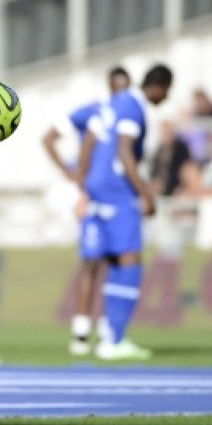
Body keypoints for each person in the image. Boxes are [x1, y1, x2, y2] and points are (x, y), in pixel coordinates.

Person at [76, 64, 174, 360]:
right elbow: (124, 150)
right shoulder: (133, 107)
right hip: (118, 192)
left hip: (97, 189)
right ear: (160, 86)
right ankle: (114, 340)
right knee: (129, 261)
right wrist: (145, 192)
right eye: (167, 91)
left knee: (109, 262)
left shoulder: (113, 102)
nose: (166, 97)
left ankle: (106, 333)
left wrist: (83, 185)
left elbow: (89, 143)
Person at [41, 66, 131, 356]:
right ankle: (80, 332)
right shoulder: (92, 112)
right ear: (110, 86)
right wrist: (73, 176)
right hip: (92, 198)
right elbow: (49, 137)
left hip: (119, 198)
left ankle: (109, 329)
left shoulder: (129, 115)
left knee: (116, 263)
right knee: (91, 262)